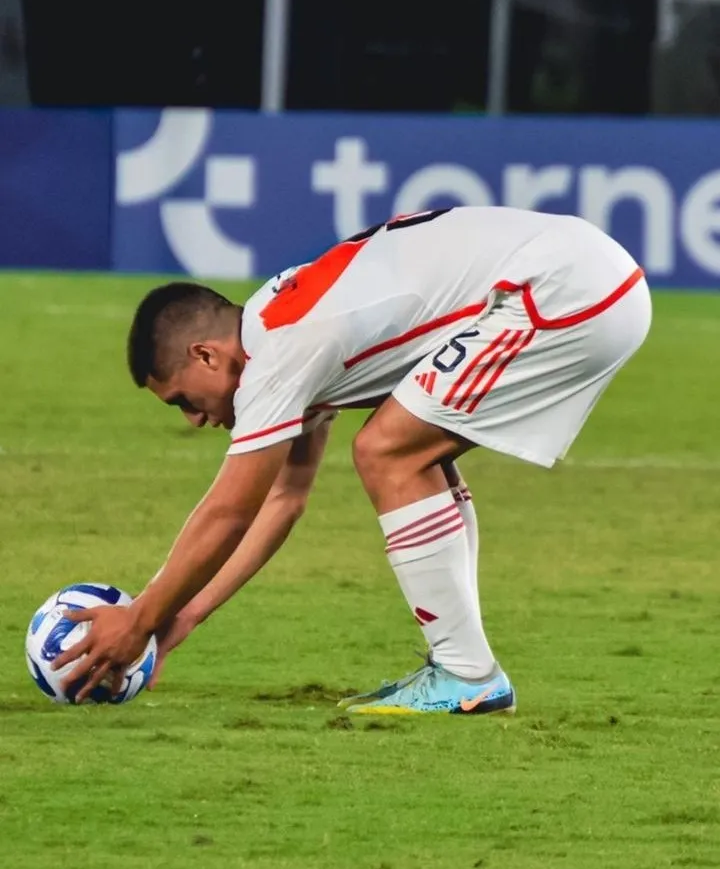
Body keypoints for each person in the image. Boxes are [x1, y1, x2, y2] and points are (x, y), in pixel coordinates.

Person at [52, 205, 652, 715]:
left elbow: (230, 511)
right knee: (413, 453)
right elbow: (284, 500)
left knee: (386, 451)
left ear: (206, 355)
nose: (194, 419)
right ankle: (461, 667)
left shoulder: (280, 351)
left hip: (562, 291)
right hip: (589, 276)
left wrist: (139, 619)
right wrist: (184, 613)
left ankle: (466, 674)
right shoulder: (281, 328)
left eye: (183, 399)